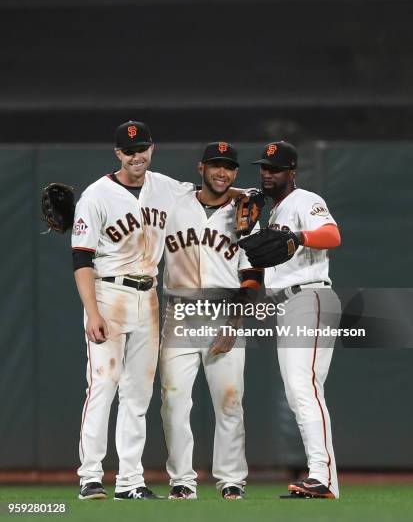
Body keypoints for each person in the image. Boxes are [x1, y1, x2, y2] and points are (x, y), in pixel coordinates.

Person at [72, 120, 193, 500]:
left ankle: (130, 481)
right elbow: (81, 259)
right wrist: (91, 311)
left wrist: (247, 193)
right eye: (128, 150)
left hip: (149, 296)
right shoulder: (96, 195)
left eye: (141, 148)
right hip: (108, 295)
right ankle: (90, 476)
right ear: (117, 154)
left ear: (152, 148)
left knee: (138, 394)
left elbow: (207, 193)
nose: (135, 155)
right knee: (103, 385)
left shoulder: (167, 188)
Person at [160, 142, 263, 501]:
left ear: (235, 172)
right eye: (216, 166)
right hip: (180, 310)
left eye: (229, 167)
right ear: (201, 167)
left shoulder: (245, 212)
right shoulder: (175, 202)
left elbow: (253, 274)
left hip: (224, 309)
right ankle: (182, 480)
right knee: (173, 399)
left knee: (230, 401)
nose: (222, 173)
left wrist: (234, 324)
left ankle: (232, 479)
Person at [240, 141, 341, 499]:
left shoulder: (304, 200)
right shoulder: (271, 212)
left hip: (310, 295)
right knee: (299, 393)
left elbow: (332, 235)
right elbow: (256, 261)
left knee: (304, 387)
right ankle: (322, 479)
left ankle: (323, 477)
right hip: (286, 303)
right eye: (264, 169)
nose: (268, 174)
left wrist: (299, 236)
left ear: (292, 172)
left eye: (276, 169)